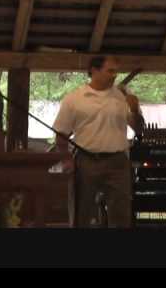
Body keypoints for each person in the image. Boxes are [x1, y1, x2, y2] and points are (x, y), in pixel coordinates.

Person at [53, 56, 144, 228]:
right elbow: (61, 133)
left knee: (121, 214)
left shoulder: (122, 97)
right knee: (83, 212)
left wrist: (135, 110)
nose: (114, 75)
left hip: (118, 162)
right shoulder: (74, 98)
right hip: (86, 161)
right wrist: (66, 159)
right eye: (110, 71)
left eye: (116, 71)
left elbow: (139, 129)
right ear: (94, 71)